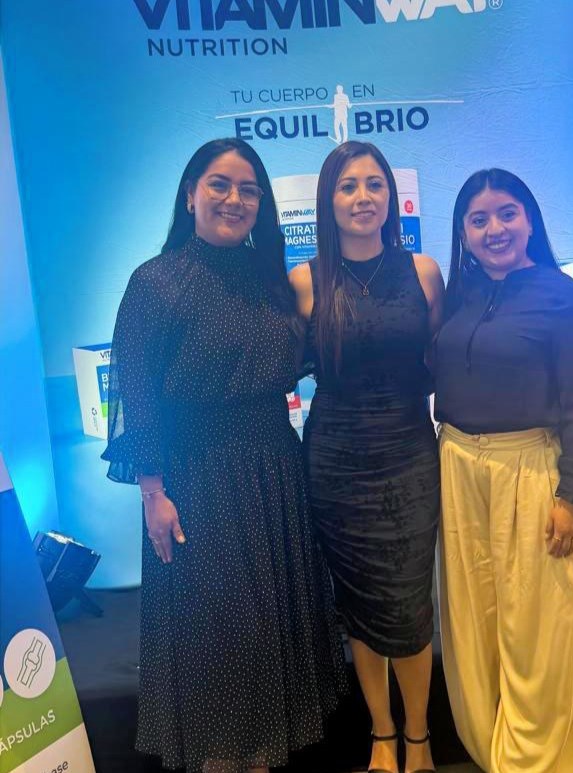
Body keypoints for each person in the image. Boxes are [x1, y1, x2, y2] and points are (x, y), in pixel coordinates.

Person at [101, 138, 347, 773]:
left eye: (248, 189)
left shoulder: (273, 282)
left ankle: (262, 758)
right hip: (198, 481)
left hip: (275, 472)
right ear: (190, 195)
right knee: (218, 636)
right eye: (219, 184)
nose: (234, 199)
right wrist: (152, 494)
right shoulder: (155, 282)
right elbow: (139, 395)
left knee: (270, 630)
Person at [433, 168, 573, 773]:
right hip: (457, 470)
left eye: (507, 213)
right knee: (474, 623)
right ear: (462, 233)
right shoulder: (457, 296)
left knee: (540, 625)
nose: (495, 229)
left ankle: (538, 760)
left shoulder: (564, 296)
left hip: (532, 473)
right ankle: (493, 750)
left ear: (529, 219)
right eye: (478, 219)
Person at [289, 141, 444, 773]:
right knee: (359, 604)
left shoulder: (424, 272)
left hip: (409, 456)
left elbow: (444, 361)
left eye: (374, 184)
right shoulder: (304, 281)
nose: (362, 197)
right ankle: (382, 733)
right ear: (328, 201)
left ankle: (419, 735)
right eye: (348, 186)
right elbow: (276, 370)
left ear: (391, 197)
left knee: (408, 605)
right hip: (335, 464)